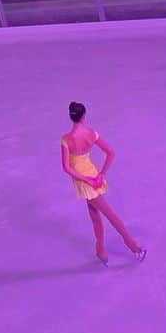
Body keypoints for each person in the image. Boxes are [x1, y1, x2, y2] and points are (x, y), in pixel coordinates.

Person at [60, 101, 146, 266]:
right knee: (95, 215)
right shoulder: (91, 133)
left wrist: (86, 180)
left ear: (71, 117)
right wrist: (100, 174)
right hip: (92, 175)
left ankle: (133, 245)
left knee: (109, 215)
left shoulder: (66, 140)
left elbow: (66, 167)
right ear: (84, 116)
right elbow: (110, 152)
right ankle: (100, 250)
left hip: (85, 180)